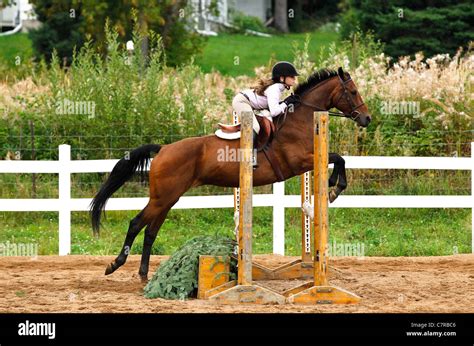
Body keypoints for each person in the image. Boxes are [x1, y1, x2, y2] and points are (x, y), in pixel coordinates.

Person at [232, 61, 300, 168]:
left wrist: (286, 102)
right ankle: (249, 157)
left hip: (250, 103)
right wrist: (286, 103)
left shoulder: (278, 88)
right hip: (241, 102)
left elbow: (273, 106)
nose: (294, 79)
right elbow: (274, 112)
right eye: (291, 76)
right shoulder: (275, 89)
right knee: (255, 126)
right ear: (282, 78)